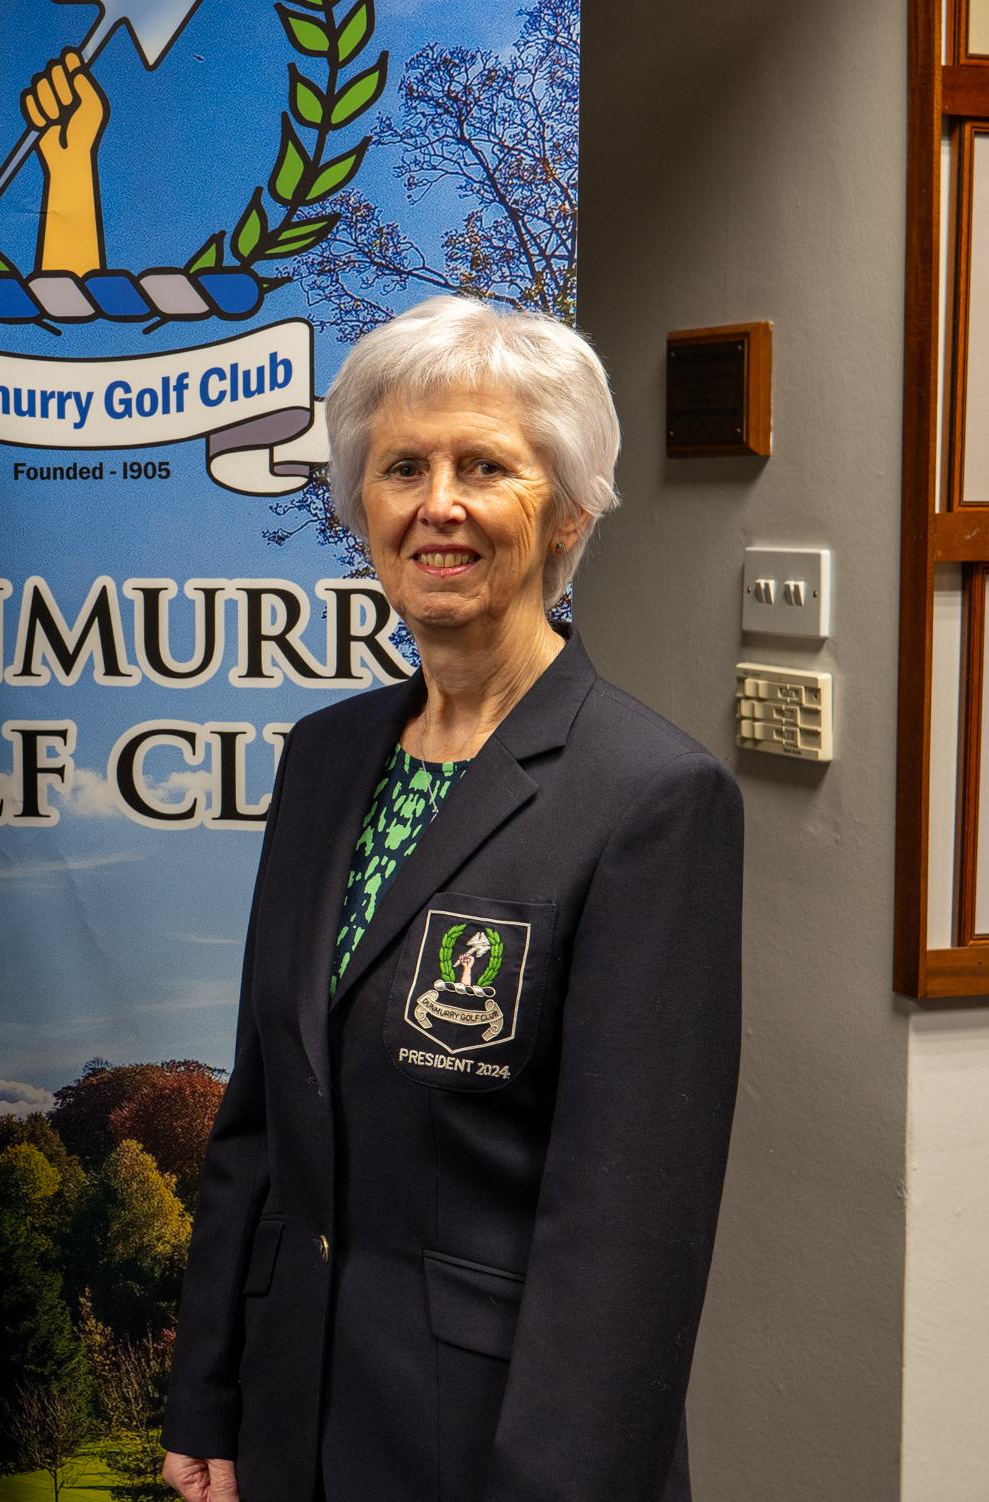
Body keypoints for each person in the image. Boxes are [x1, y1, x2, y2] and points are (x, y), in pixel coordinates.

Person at [160, 297, 743, 1502]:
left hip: (494, 1450)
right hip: (290, 1421)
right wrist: (208, 1399)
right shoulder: (324, 760)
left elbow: (626, 1233)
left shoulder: (649, 798)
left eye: (483, 466)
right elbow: (259, 1123)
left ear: (569, 508)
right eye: (401, 468)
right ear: (359, 507)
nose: (437, 504)